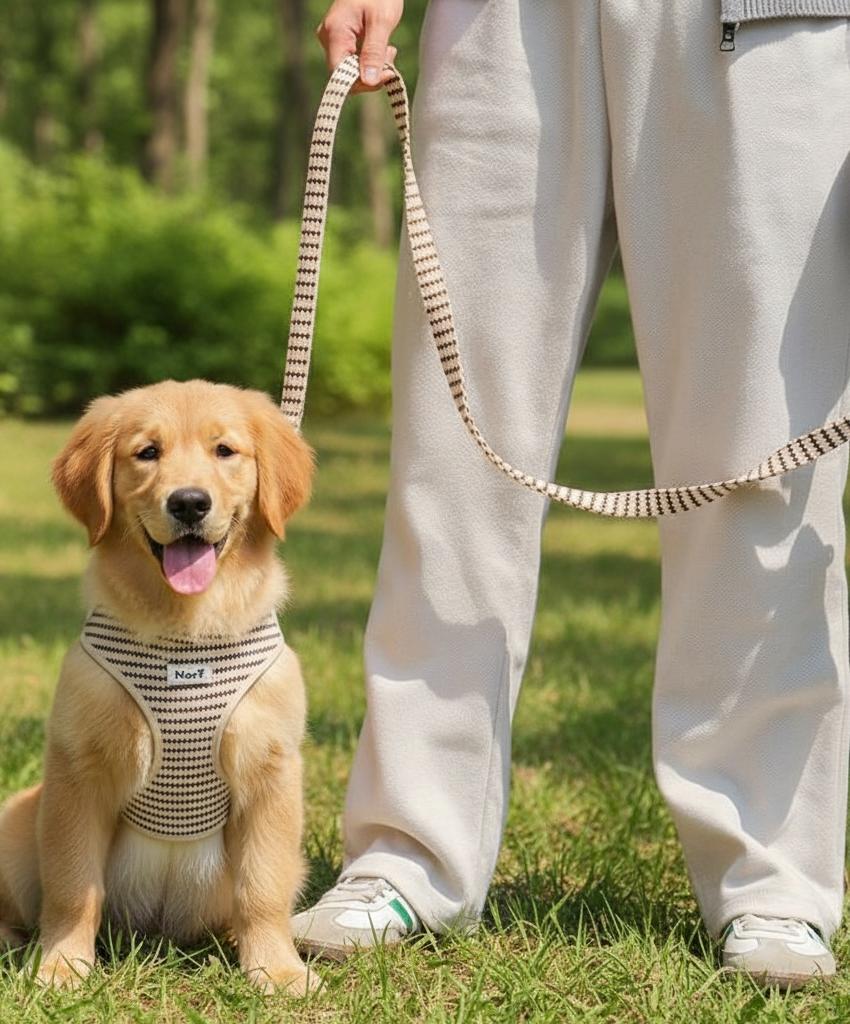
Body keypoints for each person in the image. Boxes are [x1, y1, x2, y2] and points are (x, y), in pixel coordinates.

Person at [291, 0, 850, 990]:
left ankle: (769, 876)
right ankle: (408, 850)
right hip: (501, 18)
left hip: (760, 18)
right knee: (449, 452)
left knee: (763, 460)